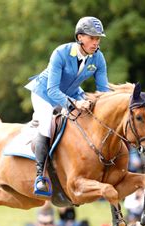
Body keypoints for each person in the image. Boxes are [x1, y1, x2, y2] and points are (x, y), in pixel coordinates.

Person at [25, 16, 110, 196]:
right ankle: (40, 176)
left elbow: (103, 91)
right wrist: (75, 103)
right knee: (47, 123)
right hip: (44, 94)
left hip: (72, 94)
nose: (96, 42)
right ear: (80, 37)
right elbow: (53, 90)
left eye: (98, 39)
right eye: (92, 38)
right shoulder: (61, 53)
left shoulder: (98, 58)